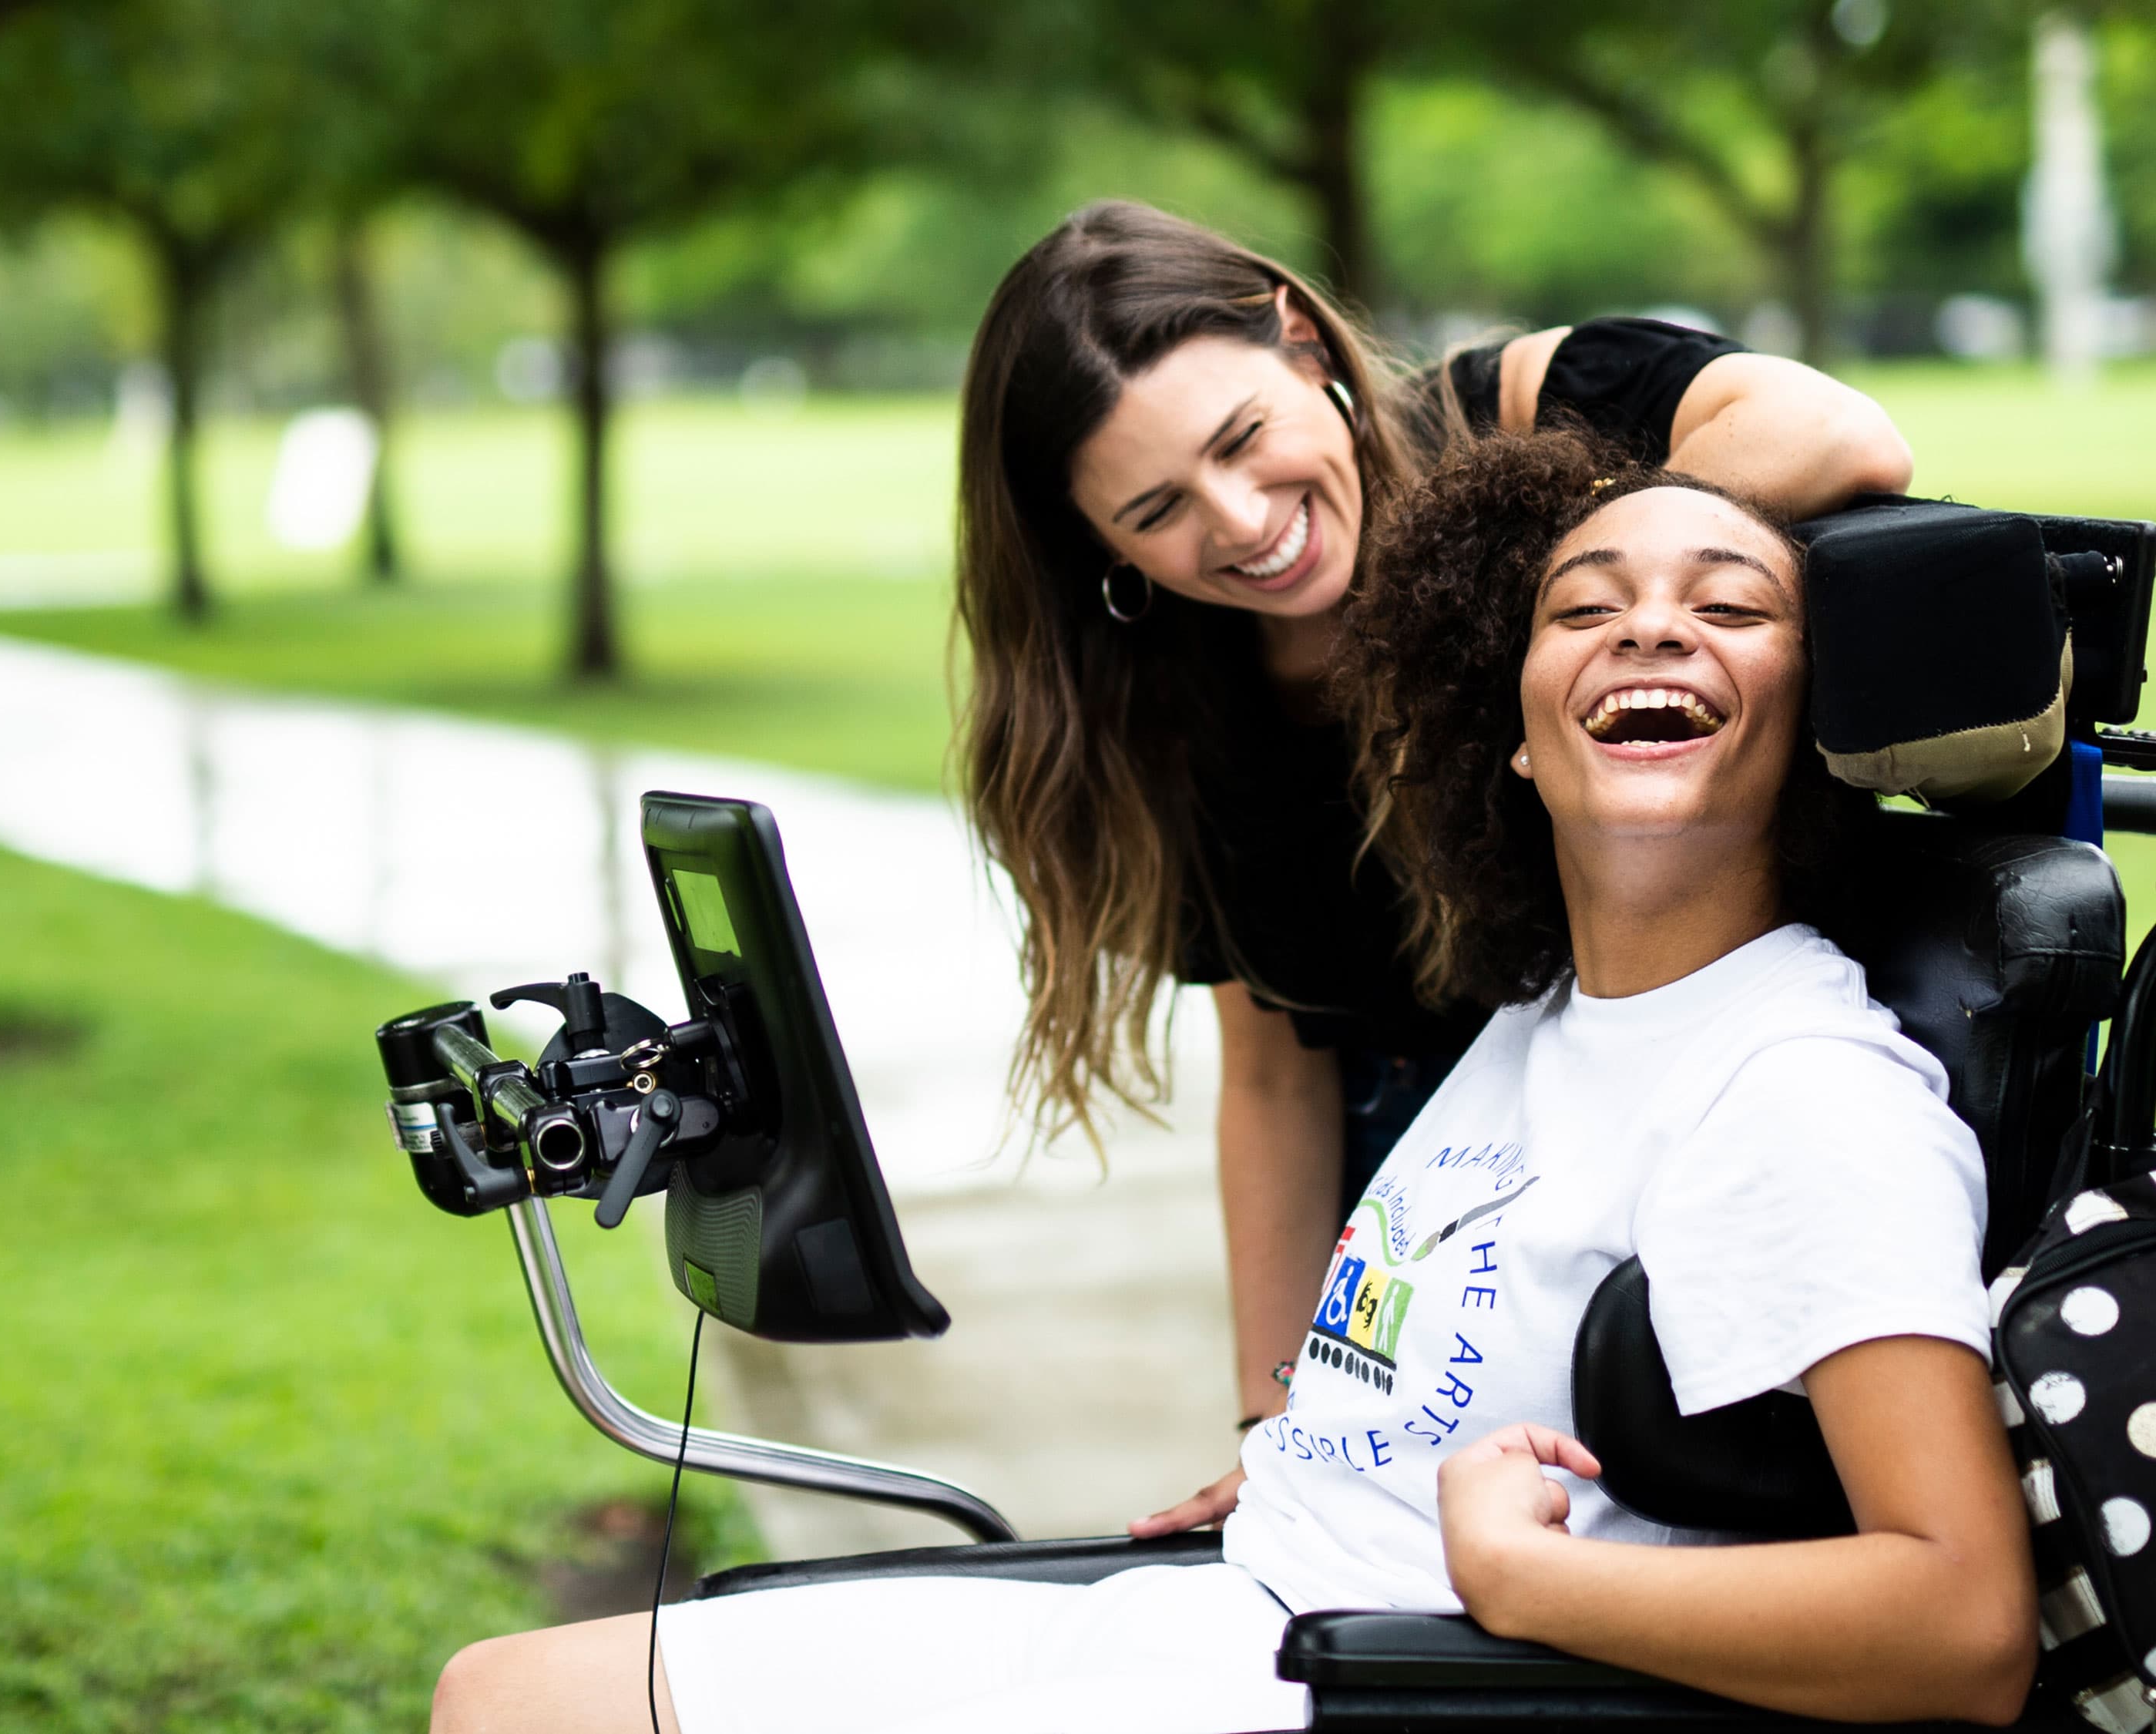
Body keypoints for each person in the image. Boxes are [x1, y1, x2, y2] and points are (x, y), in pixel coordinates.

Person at [428, 432, 2033, 1734]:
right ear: (1523, 736)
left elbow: (1961, 1624)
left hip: (1393, 1685)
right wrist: (1304, 1438)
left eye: (1731, 606)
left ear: (1808, 723)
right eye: (1585, 604)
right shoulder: (1550, 1018)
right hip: (1221, 1609)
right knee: (511, 1697)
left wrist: (1533, 1586)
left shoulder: (1798, 1086)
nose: (1653, 626)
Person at [952, 201, 1918, 1465]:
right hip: (1416, 1176)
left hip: (1688, 1097)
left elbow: (1843, 435)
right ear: (1098, 546)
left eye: (1244, 438)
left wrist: (1552, 600)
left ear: (1303, 343)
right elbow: (1274, 1069)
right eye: (1156, 510)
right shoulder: (1163, 697)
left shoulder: (1512, 411)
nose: (1242, 520)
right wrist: (1273, 1429)